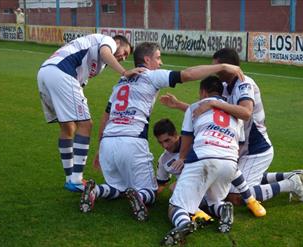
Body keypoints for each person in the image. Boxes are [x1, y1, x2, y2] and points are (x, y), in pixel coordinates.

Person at [79, 42, 245, 222]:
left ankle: (95, 190)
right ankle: (140, 198)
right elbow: (188, 74)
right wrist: (221, 66)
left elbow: (106, 115)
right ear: (147, 59)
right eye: (158, 57)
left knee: (118, 187)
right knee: (149, 191)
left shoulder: (120, 82)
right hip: (132, 140)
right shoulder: (151, 76)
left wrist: (100, 147)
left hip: (108, 142)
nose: (161, 62)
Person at [161, 48, 303, 207]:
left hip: (255, 149)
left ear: (229, 66)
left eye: (220, 67)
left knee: (235, 196)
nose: (217, 72)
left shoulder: (245, 83)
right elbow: (210, 114)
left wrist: (213, 102)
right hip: (236, 146)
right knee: (228, 179)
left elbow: (246, 112)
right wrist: (178, 105)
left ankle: (291, 183)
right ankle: (291, 175)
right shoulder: (225, 86)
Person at [37, 34, 145, 193]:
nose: (123, 57)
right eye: (124, 52)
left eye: (126, 57)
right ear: (117, 43)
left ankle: (70, 178)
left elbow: (82, 81)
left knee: (68, 128)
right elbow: (105, 53)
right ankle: (77, 179)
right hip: (62, 73)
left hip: (45, 73)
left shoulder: (99, 63)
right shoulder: (107, 41)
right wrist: (124, 72)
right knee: (86, 125)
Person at [161, 76, 241, 246]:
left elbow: (187, 137)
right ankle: (223, 208)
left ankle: (184, 223)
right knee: (212, 201)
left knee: (176, 206)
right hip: (230, 161)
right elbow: (238, 141)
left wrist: (182, 157)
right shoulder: (235, 113)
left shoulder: (196, 107)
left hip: (204, 156)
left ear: (203, 92)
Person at [153, 117, 266, 218]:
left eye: (167, 140)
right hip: (199, 192)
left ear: (175, 134)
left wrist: (187, 161)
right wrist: (149, 197)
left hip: (217, 178)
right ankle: (218, 211)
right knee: (176, 188)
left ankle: (251, 200)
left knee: (228, 166)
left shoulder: (196, 140)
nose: (165, 146)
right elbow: (161, 184)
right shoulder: (164, 160)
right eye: (160, 142)